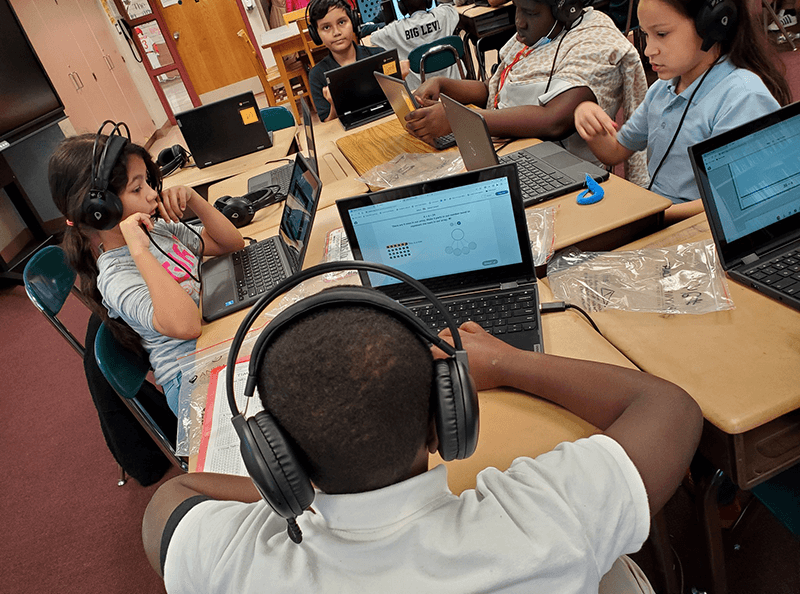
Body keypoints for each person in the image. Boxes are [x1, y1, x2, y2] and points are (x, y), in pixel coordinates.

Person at [142, 294, 703, 593]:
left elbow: (172, 498)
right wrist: (505, 361)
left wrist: (290, 492)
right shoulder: (545, 520)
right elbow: (670, 409)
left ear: (276, 460)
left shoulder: (232, 565)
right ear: (446, 423)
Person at [49, 131, 245, 415]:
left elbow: (231, 244)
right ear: (101, 211)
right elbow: (187, 326)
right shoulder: (116, 277)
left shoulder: (158, 231)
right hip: (192, 381)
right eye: (137, 189)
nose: (153, 194)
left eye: (148, 184)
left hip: (215, 339)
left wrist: (193, 199)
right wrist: (139, 251)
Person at [574, 0, 791, 224]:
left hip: (698, 232)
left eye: (662, 34)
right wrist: (589, 118)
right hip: (661, 217)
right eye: (646, 35)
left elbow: (732, 204)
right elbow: (616, 150)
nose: (648, 50)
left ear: (713, 25)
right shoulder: (662, 89)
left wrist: (649, 215)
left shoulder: (742, 98)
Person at [405, 0, 649, 181]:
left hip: (565, 174)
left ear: (565, 10)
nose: (519, 21)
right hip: (518, 154)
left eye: (531, 13)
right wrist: (444, 85)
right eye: (517, 8)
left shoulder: (595, 41)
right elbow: (495, 90)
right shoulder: (540, 35)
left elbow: (553, 119)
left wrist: (462, 120)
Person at [307, 0, 407, 122]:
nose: (336, 32)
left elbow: (399, 102)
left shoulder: (379, 56)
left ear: (353, 22)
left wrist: (400, 80)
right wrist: (334, 105)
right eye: (326, 27)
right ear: (315, 34)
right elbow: (328, 124)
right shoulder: (317, 75)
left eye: (342, 22)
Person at [369, 0, 461, 90]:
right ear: (429, 0)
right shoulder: (444, 14)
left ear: (401, 7)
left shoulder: (395, 30)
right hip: (455, 86)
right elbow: (452, 9)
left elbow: (373, 37)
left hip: (422, 93)